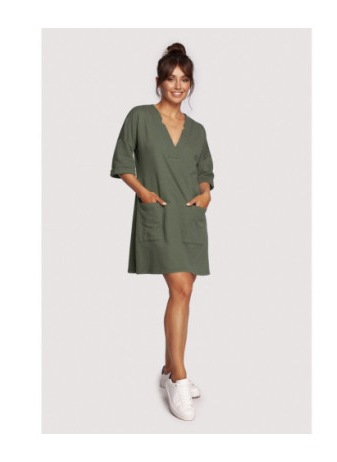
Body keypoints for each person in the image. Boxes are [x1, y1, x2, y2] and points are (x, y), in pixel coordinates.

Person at [110, 42, 215, 421]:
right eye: (171, 79)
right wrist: (143, 193)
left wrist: (205, 193)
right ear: (159, 82)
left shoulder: (197, 130)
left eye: (184, 79)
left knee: (183, 292)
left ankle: (169, 367)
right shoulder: (139, 117)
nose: (178, 86)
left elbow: (205, 171)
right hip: (159, 211)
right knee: (181, 289)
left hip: (190, 217)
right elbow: (123, 161)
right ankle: (179, 378)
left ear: (191, 84)